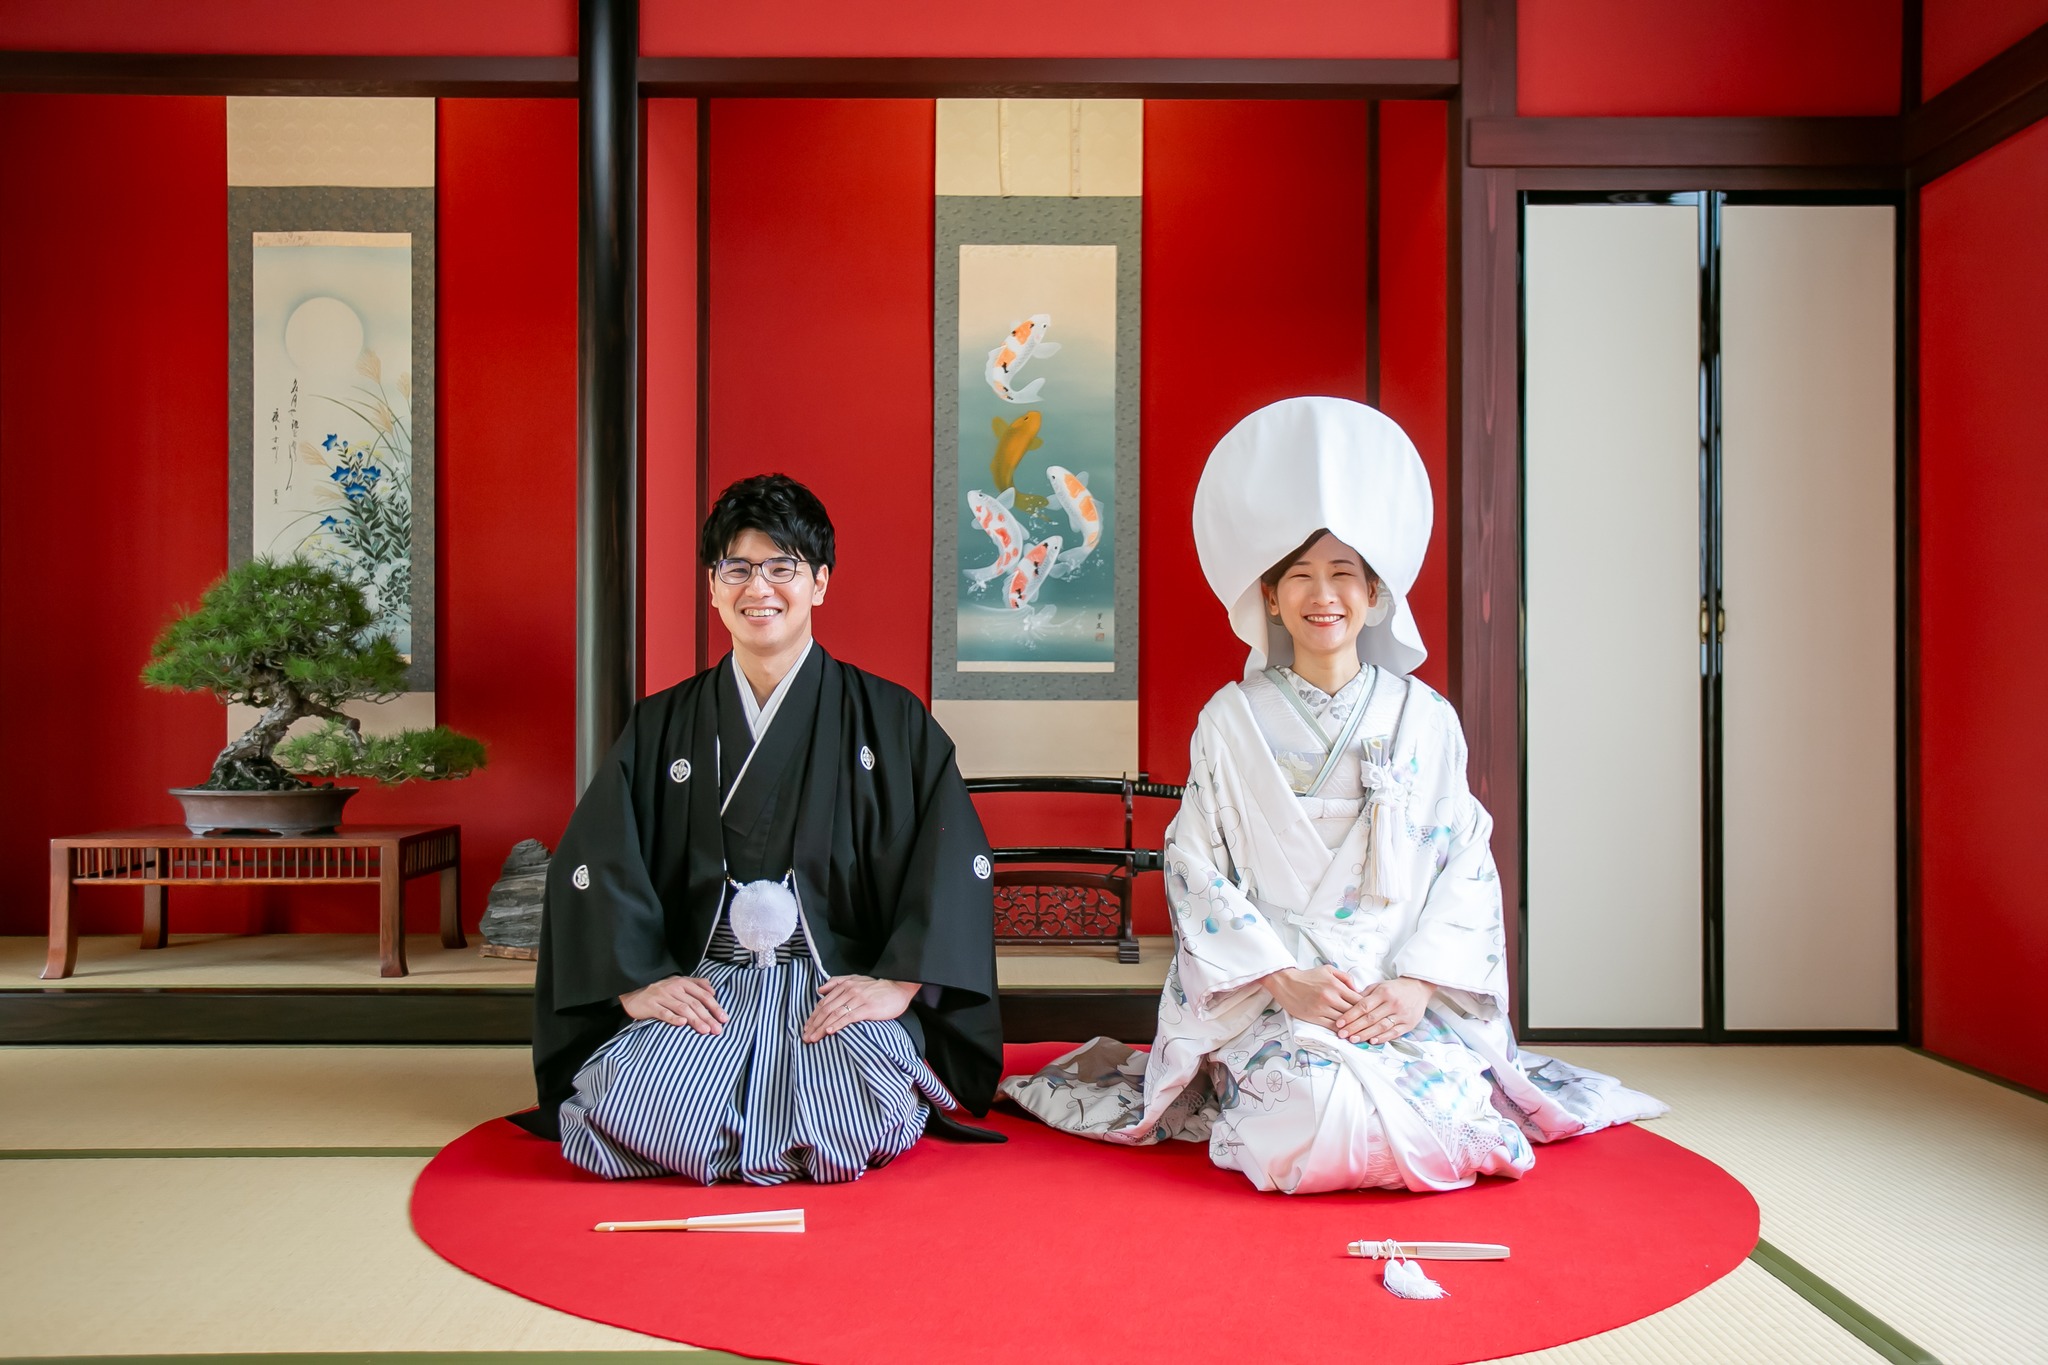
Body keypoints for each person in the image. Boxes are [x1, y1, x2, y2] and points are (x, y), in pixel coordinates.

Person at [1001, 397, 1663, 1194]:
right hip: (1277, 999)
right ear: (1271, 595)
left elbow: (1465, 864)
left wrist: (1417, 986)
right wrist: (1284, 980)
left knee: (1448, 1123)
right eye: (1301, 577)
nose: (1324, 595)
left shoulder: (1425, 719)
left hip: (1395, 996)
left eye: (1344, 573)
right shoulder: (1230, 720)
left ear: (1376, 593)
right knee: (1315, 1117)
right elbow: (1195, 865)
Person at [514, 474, 1005, 1182]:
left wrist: (899, 982)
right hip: (706, 981)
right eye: (737, 569)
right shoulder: (661, 723)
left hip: (829, 979)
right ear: (713, 588)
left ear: (820, 583)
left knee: (855, 1117)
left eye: (782, 567)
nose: (759, 588)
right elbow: (596, 856)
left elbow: (952, 856)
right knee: (632, 1110)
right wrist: (636, 982)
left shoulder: (890, 718)